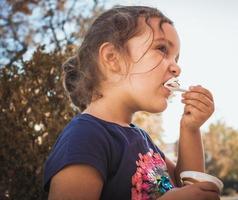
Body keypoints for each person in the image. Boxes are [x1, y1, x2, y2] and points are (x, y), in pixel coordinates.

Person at [43, 5, 219, 200]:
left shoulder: (141, 138)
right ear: (113, 58)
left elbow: (183, 184)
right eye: (162, 49)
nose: (177, 68)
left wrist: (190, 128)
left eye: (176, 58)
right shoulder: (85, 136)